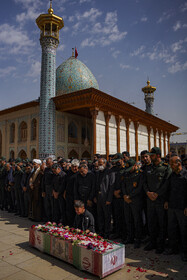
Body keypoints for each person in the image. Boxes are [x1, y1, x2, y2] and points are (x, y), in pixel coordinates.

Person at [143, 147, 172, 254]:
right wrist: (148, 192)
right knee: (151, 222)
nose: (150, 156)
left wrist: (157, 194)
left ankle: (161, 244)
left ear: (158, 156)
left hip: (160, 200)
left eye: (152, 155)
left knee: (161, 223)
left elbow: (167, 184)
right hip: (150, 200)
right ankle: (152, 242)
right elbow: (144, 182)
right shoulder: (148, 167)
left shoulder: (165, 168)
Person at [164, 156, 187, 261]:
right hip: (172, 206)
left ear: (178, 163)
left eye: (172, 164)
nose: (170, 166)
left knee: (184, 230)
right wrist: (166, 201)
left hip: (182, 208)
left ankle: (185, 251)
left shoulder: (185, 175)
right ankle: (173, 248)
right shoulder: (172, 175)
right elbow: (169, 189)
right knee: (171, 228)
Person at [122, 159, 144, 248]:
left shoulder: (139, 174)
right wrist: (124, 195)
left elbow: (139, 188)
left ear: (135, 166)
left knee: (137, 220)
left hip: (135, 200)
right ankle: (130, 237)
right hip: (126, 200)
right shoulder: (126, 173)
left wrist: (130, 196)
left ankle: (138, 239)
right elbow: (123, 185)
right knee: (128, 219)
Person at [94, 158, 115, 238]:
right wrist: (95, 197)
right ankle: (101, 231)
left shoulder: (110, 173)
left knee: (107, 217)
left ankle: (107, 233)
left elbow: (111, 187)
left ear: (105, 164)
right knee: (100, 216)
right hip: (99, 198)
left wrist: (109, 199)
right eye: (98, 164)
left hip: (106, 198)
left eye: (101, 164)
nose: (100, 166)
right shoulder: (98, 173)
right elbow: (96, 186)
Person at [64, 159, 79, 227]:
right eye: (73, 166)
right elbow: (66, 184)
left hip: (77, 196)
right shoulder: (68, 173)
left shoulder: (79, 174)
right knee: (69, 211)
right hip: (69, 195)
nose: (74, 168)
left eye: (76, 166)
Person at [42, 157, 54, 221]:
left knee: (52, 205)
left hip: (52, 189)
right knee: (47, 205)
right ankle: (48, 219)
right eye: (46, 163)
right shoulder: (46, 170)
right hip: (46, 189)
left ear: (52, 163)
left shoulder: (54, 170)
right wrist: (43, 190)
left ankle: (53, 220)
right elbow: (43, 180)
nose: (47, 165)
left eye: (48, 163)